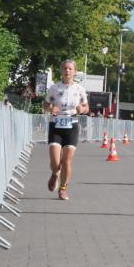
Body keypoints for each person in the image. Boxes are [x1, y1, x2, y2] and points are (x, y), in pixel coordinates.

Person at [43, 60, 89, 200]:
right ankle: (55, 173)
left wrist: (82, 109)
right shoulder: (54, 88)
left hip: (72, 125)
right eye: (65, 68)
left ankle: (63, 189)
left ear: (75, 72)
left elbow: (86, 108)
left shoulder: (80, 89)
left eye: (70, 69)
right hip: (56, 126)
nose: (67, 71)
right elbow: (45, 105)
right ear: (61, 70)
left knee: (66, 161)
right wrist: (51, 108)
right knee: (56, 163)